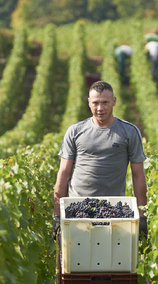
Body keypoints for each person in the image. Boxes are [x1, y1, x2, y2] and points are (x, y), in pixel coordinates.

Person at [53, 81, 148, 240]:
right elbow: (63, 174)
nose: (100, 108)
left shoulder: (129, 132)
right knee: (74, 261)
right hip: (77, 208)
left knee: (111, 260)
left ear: (114, 101)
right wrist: (57, 215)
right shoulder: (75, 131)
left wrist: (142, 215)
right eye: (95, 103)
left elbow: (138, 175)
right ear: (88, 102)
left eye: (105, 102)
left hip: (112, 210)